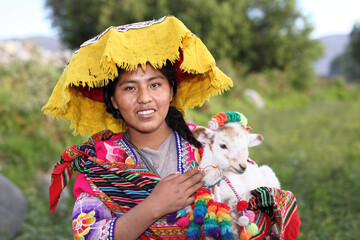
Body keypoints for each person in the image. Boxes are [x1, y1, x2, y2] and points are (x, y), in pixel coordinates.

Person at [44, 16, 300, 240]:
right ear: (113, 100)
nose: (144, 98)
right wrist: (155, 206)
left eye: (155, 85)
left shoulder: (209, 144)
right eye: (129, 88)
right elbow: (88, 234)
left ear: (171, 91)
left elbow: (254, 202)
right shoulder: (101, 163)